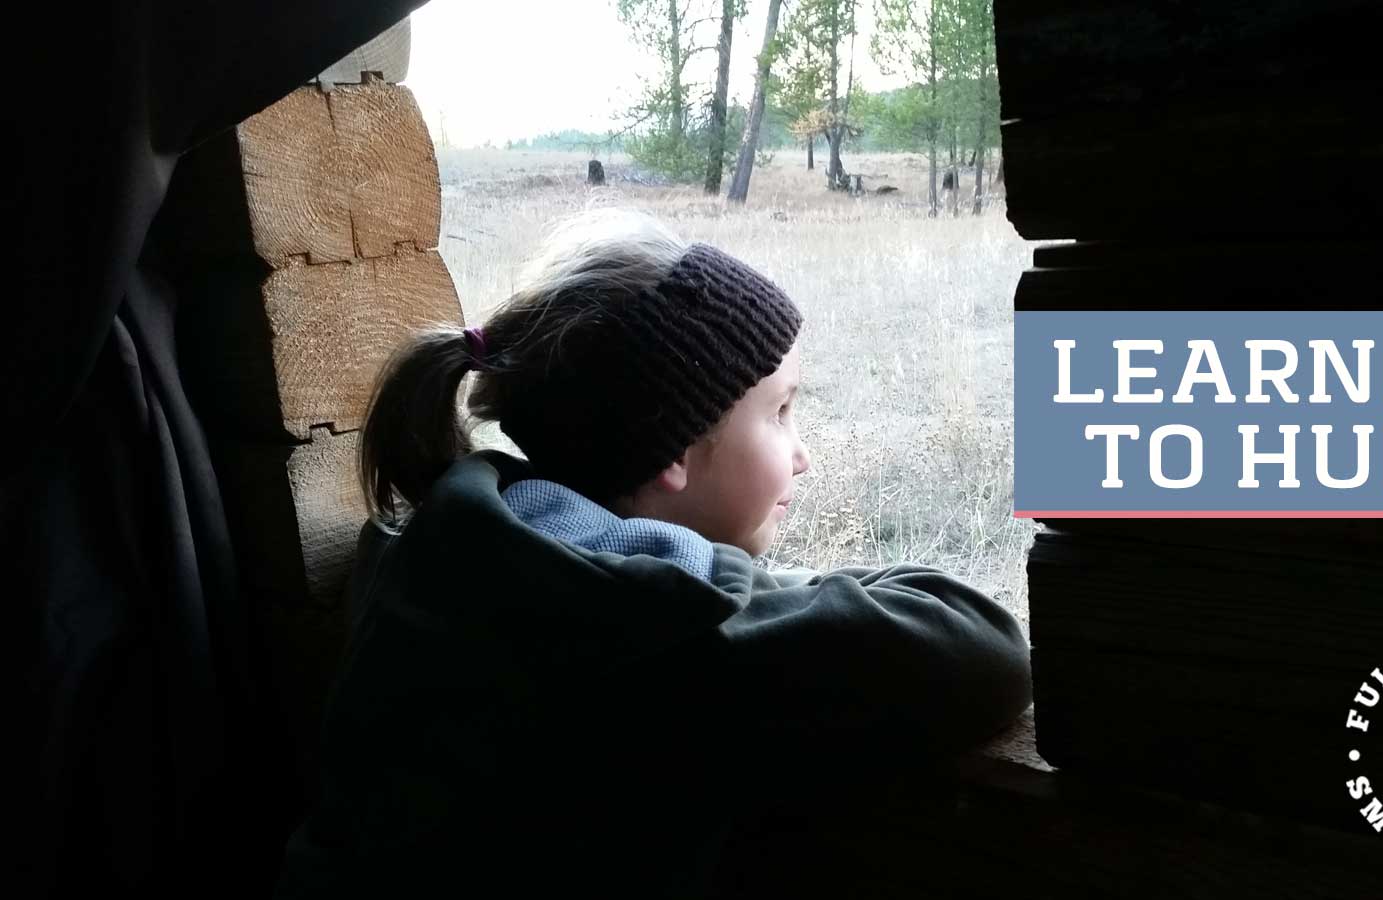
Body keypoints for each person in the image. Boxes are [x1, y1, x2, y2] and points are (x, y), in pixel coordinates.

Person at [274, 208, 1032, 897]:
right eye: (780, 414)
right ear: (673, 451)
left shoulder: (455, 536)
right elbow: (987, 650)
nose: (800, 455)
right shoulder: (655, 620)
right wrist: (737, 576)